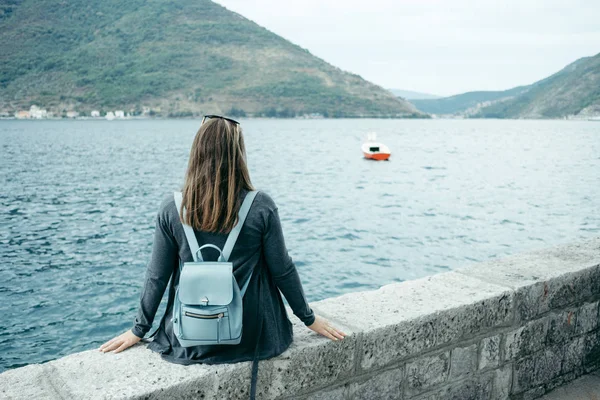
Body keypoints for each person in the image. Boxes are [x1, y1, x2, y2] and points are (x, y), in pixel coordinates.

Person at [99, 115, 346, 388]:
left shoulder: (173, 207)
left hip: (190, 339)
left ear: (197, 152)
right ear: (239, 154)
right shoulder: (260, 206)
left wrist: (139, 329)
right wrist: (308, 318)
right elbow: (282, 270)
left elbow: (157, 275)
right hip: (255, 336)